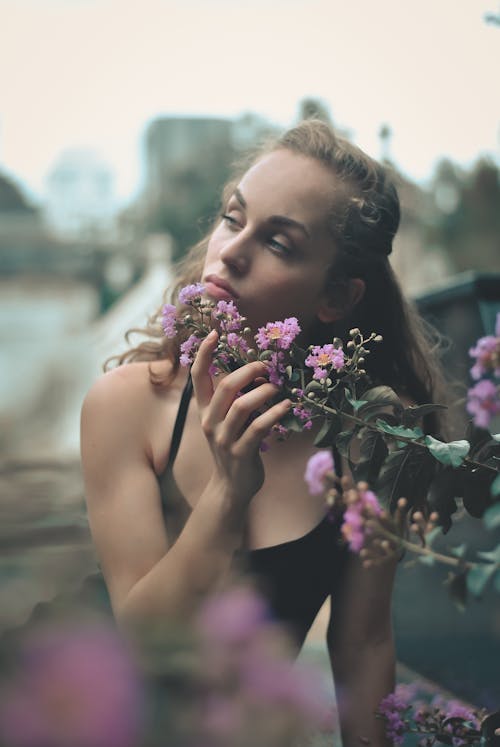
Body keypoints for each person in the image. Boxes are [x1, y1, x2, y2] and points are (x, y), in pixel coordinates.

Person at [80, 119, 445, 746]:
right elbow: (143, 646)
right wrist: (227, 495)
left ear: (336, 297)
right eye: (232, 217)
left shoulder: (373, 438)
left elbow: (362, 644)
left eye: (278, 243)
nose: (231, 251)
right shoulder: (130, 405)